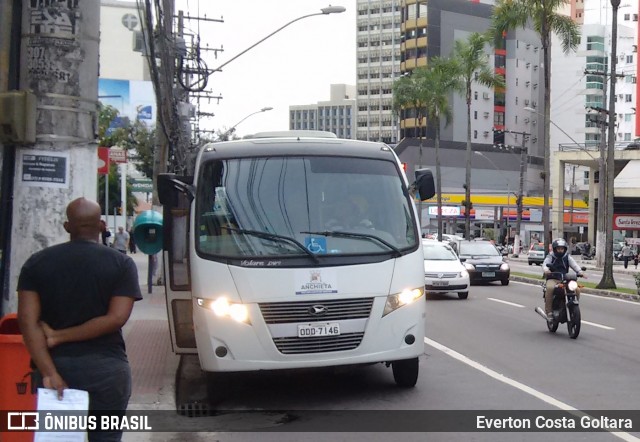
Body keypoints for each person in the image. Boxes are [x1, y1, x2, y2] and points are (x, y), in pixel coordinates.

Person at [17, 197, 142, 442]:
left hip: (56, 365)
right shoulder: (121, 264)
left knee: (58, 439)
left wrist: (48, 371)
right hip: (107, 370)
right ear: (102, 225)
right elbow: (116, 318)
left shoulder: (36, 264)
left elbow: (27, 322)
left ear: (67, 227)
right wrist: (57, 336)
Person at [542, 238, 584, 324]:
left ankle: (573, 306)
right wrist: (546, 270)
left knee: (577, 289)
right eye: (558, 248)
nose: (560, 250)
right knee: (550, 288)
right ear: (555, 249)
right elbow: (545, 264)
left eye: (562, 249)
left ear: (565, 249)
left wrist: (580, 272)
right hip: (553, 278)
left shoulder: (567, 257)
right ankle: (549, 312)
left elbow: (574, 265)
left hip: (565, 279)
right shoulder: (551, 256)